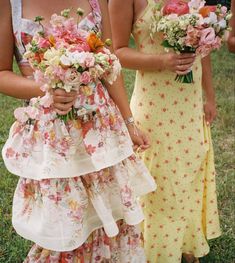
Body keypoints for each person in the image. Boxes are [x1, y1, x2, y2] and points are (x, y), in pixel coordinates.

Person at [0, 0, 156, 262]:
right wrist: (46, 89)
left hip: (101, 134)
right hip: (53, 141)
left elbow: (110, 66)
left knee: (111, 219)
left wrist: (129, 122)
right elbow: (2, 72)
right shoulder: (10, 3)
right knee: (65, 225)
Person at [109, 0, 221, 262]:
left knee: (188, 170)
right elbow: (117, 52)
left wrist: (210, 96)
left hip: (189, 103)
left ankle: (184, 241)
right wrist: (162, 61)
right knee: (158, 181)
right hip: (154, 105)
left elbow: (202, 51)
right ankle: (154, 250)